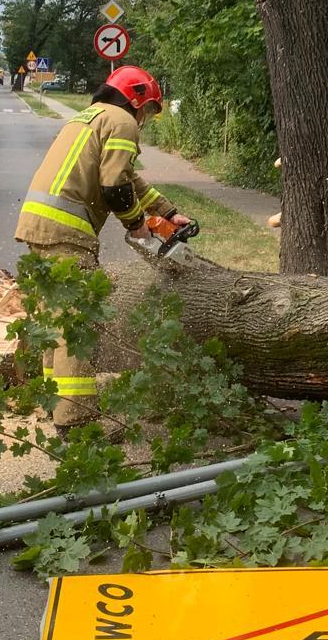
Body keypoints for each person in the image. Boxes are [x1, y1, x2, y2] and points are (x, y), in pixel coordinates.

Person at [14, 65, 195, 431]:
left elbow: (129, 177)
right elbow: (114, 187)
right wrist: (137, 225)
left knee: (55, 321)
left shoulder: (89, 117)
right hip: (67, 230)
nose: (145, 120)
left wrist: (167, 212)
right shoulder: (123, 122)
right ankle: (76, 419)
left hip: (38, 224)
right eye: (148, 111)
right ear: (138, 100)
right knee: (77, 326)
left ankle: (54, 403)